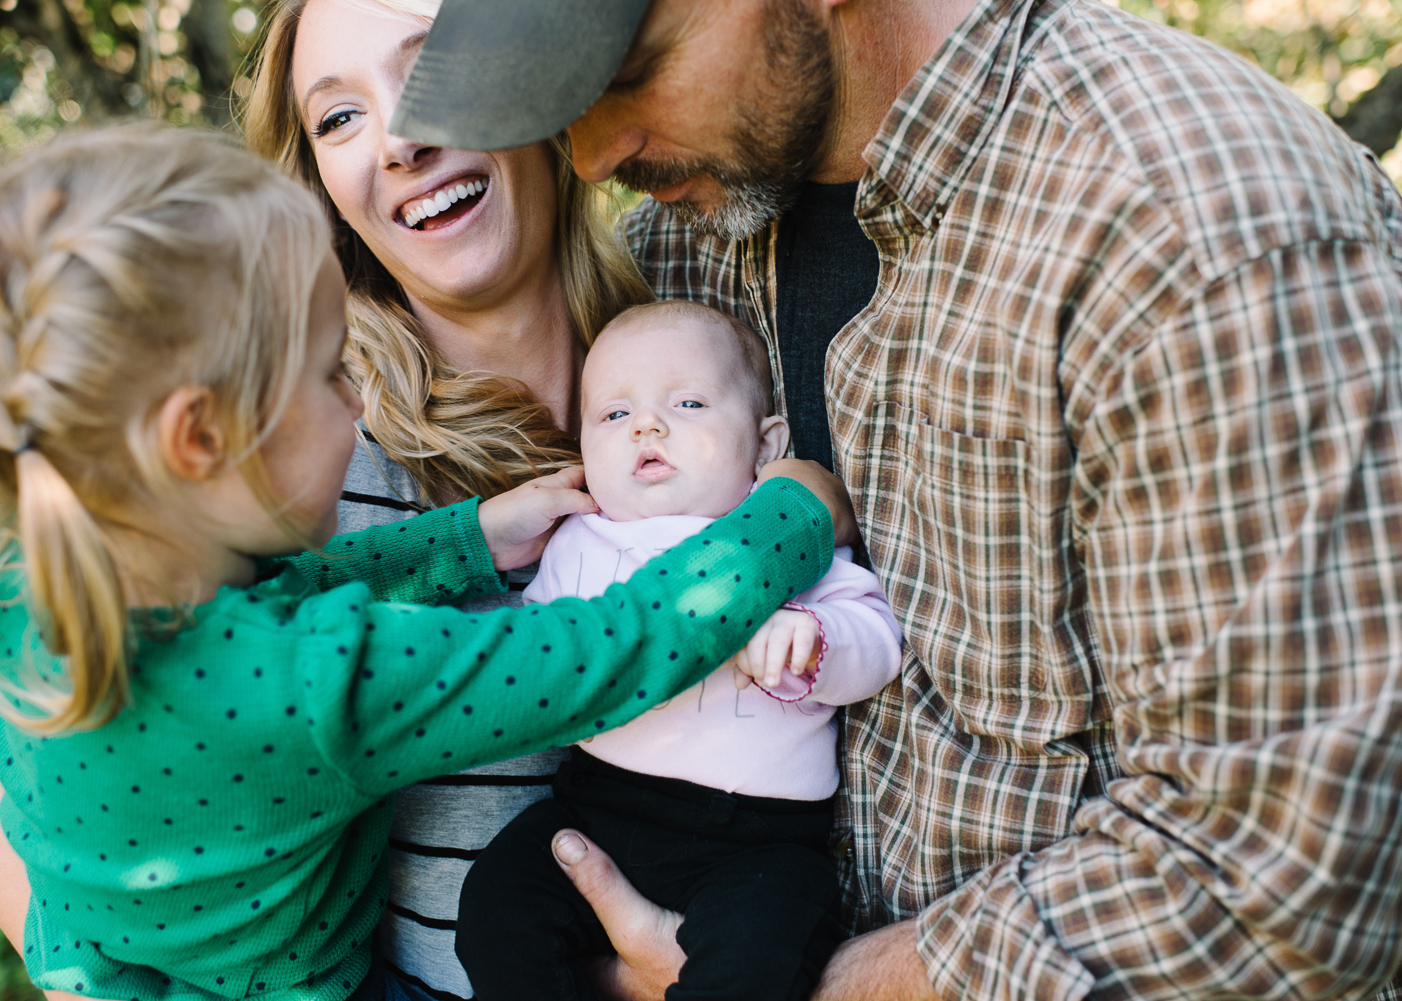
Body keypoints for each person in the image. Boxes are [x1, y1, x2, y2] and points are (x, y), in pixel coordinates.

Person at [387, 0, 1402, 999]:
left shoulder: (1190, 229)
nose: (594, 153)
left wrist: (780, 980)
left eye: (628, 69)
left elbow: (1285, 877)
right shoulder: (680, 245)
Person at [0, 126, 851, 1001]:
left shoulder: (30, 590)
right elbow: (602, 650)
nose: (356, 403)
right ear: (200, 437)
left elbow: (286, 597)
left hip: (118, 964)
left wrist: (467, 538)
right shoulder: (319, 686)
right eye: (328, 372)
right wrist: (789, 517)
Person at [0, 2, 654, 999]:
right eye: (339, 117)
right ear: (319, 179)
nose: (401, 139)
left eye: (426, 69)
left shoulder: (698, 342)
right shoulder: (278, 458)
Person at [454, 301, 902, 1001]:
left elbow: (877, 640)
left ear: (766, 444)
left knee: (755, 965)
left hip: (755, 840)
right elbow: (538, 659)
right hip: (596, 805)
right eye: (613, 415)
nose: (646, 426)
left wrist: (813, 642)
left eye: (688, 402)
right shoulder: (582, 542)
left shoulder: (784, 536)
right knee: (496, 905)